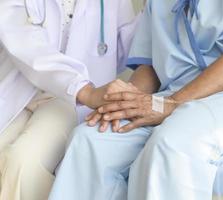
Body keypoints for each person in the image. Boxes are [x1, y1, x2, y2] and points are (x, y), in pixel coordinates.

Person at [49, 0, 223, 199]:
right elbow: (151, 67)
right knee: (90, 139)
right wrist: (125, 102)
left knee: (172, 141)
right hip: (175, 99)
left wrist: (169, 105)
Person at [0, 0, 138, 199]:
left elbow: (130, 49)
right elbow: (24, 42)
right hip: (22, 89)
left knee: (24, 161)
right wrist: (84, 90)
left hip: (69, 102)